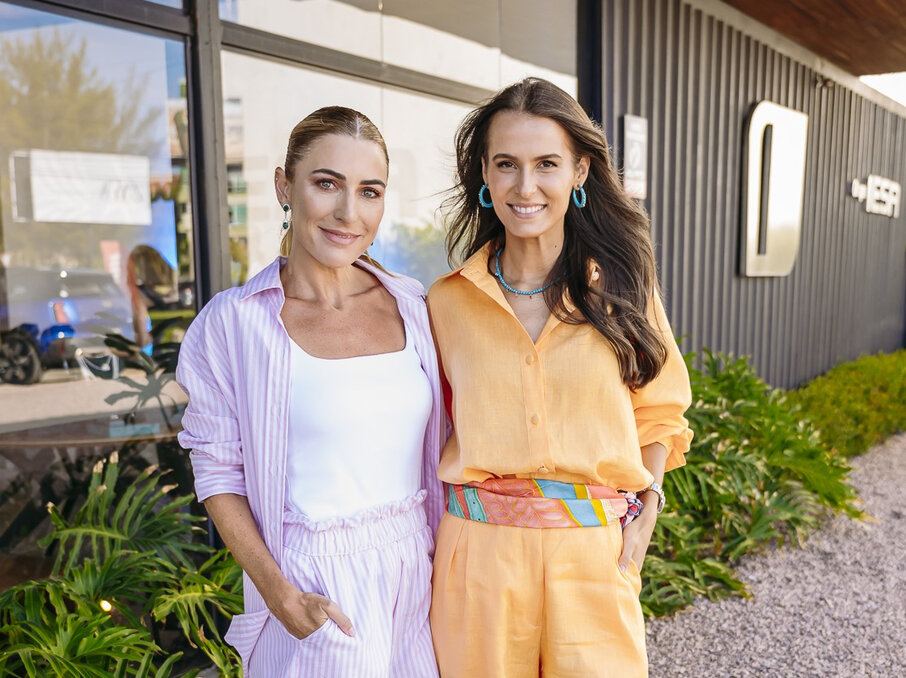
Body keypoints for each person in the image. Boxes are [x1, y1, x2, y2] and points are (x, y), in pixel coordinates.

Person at [427, 78, 694, 678]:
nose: (525, 187)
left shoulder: (625, 289)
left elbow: (660, 413)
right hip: (479, 561)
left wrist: (647, 510)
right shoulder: (445, 303)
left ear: (579, 171)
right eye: (506, 164)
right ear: (484, 175)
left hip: (594, 559)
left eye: (546, 163)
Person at [176, 106, 445, 678]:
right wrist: (281, 596)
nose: (349, 212)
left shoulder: (414, 305)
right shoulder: (233, 323)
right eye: (327, 184)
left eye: (369, 191)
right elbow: (219, 473)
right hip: (314, 583)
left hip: (418, 573)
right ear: (284, 187)